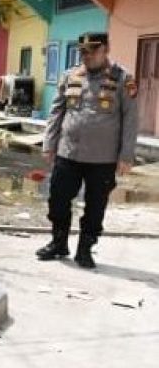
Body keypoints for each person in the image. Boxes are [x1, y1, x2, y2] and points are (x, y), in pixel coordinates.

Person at [38, 32, 139, 268]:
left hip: (103, 158)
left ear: (105, 49)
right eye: (83, 51)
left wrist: (126, 156)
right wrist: (49, 144)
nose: (87, 55)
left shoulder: (123, 79)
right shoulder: (70, 76)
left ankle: (85, 249)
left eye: (93, 50)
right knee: (58, 199)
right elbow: (56, 112)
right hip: (68, 153)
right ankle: (58, 243)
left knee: (95, 206)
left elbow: (130, 119)